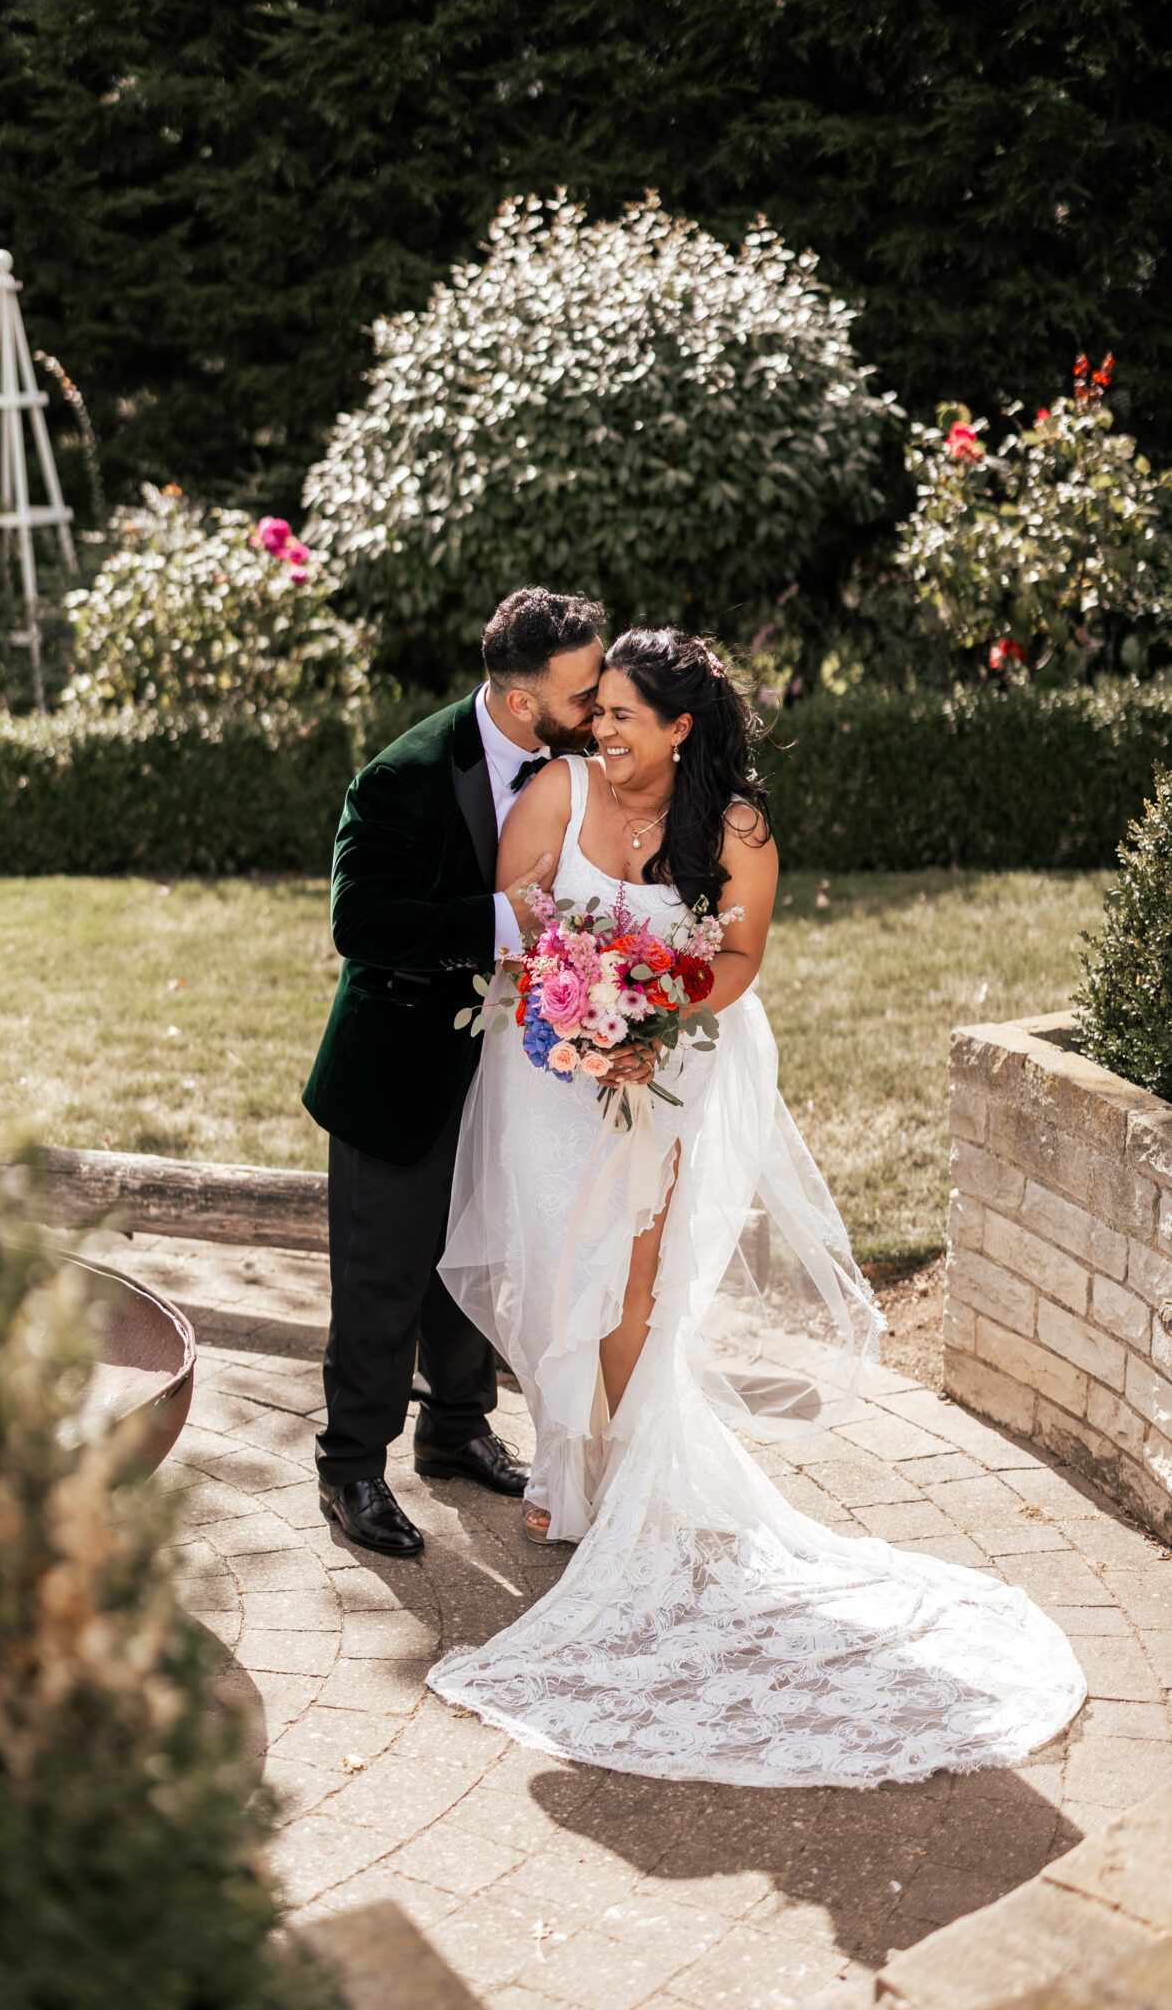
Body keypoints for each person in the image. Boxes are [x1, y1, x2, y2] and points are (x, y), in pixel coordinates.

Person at [429, 628, 1086, 1788]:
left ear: (683, 727)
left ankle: (622, 1480)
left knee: (630, 1275)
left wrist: (644, 1018)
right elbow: (519, 921)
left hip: (666, 1070)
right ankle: (565, 1461)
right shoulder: (555, 789)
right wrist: (575, 1000)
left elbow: (737, 958)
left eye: (627, 713)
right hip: (544, 1073)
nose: (606, 728)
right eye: (603, 711)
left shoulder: (732, 828)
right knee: (553, 1257)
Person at [302, 586, 606, 1556]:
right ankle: (351, 1466)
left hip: (512, 1070)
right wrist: (501, 921)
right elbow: (361, 924)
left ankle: (456, 1424)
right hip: (394, 1074)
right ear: (523, 702)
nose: (599, 701)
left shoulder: (582, 765)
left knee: (478, 1253)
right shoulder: (401, 777)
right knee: (384, 1277)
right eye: (584, 687)